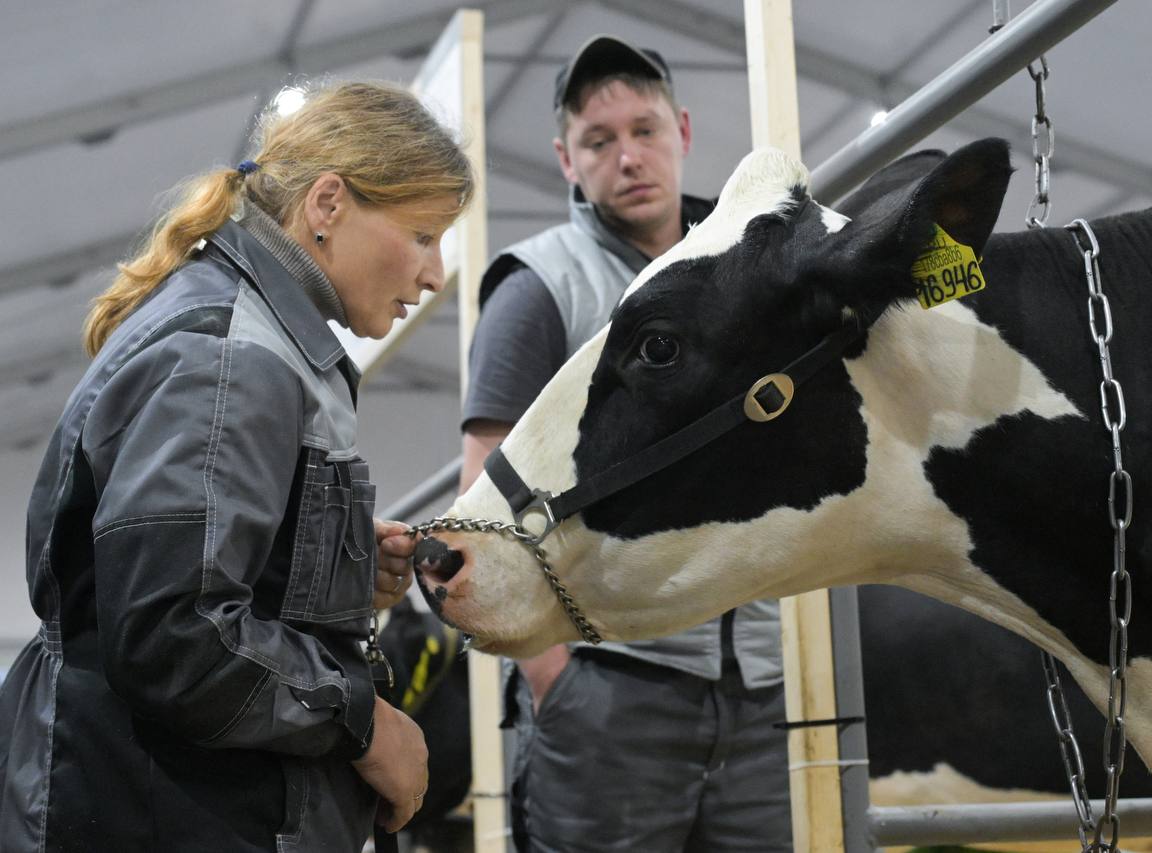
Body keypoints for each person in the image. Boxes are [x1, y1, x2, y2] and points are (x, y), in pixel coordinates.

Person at [0, 81, 473, 852]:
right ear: (327, 204)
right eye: (423, 234)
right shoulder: (229, 356)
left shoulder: (255, 336)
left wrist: (338, 575)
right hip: (161, 813)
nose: (434, 273)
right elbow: (174, 633)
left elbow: (206, 580)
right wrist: (363, 720)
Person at [460, 35, 792, 853]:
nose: (628, 157)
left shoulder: (759, 261)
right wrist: (558, 683)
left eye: (643, 130)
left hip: (765, 688)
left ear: (682, 129)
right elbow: (482, 502)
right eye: (598, 141)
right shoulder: (537, 288)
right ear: (565, 161)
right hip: (610, 693)